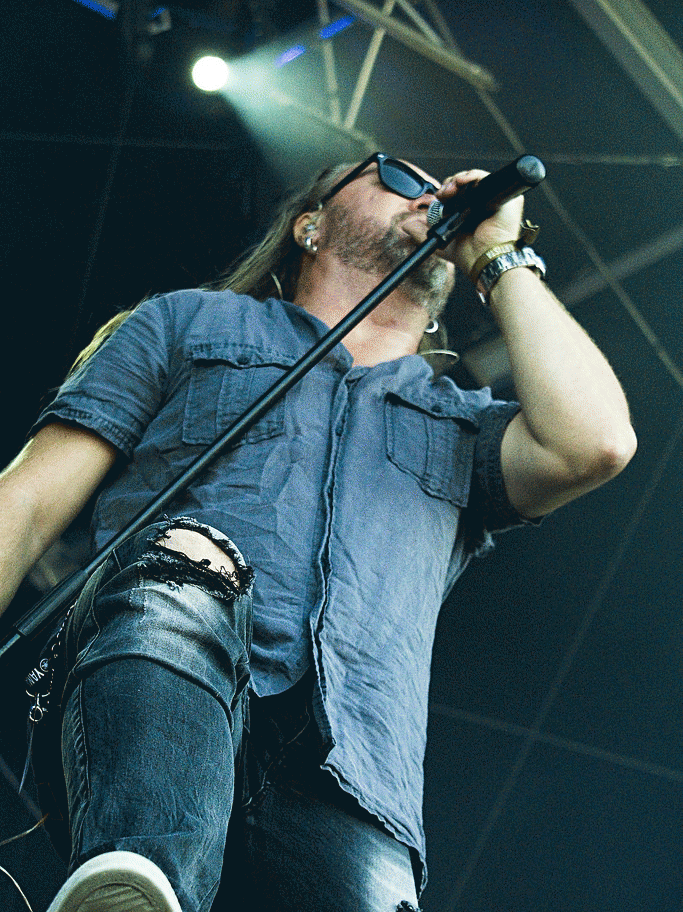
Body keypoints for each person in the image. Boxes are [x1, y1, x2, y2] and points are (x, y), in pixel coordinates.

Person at [0, 154, 636, 912]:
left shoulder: (462, 424)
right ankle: (133, 879)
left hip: (355, 772)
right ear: (311, 224)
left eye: (434, 189)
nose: (430, 196)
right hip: (153, 681)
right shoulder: (187, 323)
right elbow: (28, 502)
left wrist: (497, 256)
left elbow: (595, 443)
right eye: (398, 178)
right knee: (193, 555)